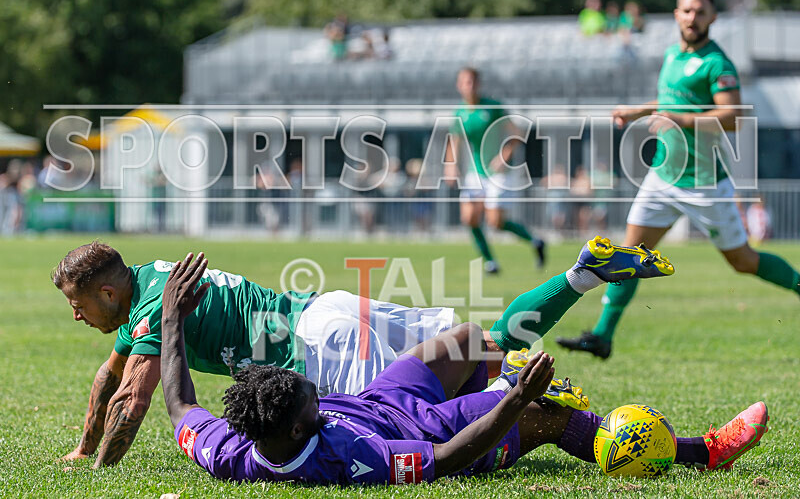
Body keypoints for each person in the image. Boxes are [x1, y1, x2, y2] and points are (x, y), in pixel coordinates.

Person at [53, 235, 673, 468]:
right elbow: (111, 378)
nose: (77, 317)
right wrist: (82, 444)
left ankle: (525, 401)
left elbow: (134, 402)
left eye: (80, 305)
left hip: (316, 352)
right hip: (329, 309)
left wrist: (99, 468)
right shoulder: (151, 279)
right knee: (480, 343)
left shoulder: (147, 312)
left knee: (433, 409)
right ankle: (582, 275)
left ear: (109, 291)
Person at [161, 252, 768, 484]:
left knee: (472, 339)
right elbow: (446, 462)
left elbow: (182, 406)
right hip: (434, 429)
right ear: (299, 431)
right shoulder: (351, 461)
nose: (315, 392)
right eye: (310, 402)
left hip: (384, 397)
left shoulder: (229, 448)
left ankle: (553, 317)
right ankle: (705, 451)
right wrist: (512, 400)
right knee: (548, 415)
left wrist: (170, 319)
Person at [557, 0, 800, 360]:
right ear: (676, 14)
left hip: (704, 184)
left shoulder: (717, 63)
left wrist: (680, 119)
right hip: (662, 176)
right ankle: (602, 335)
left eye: (700, 11)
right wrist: (640, 110)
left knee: (744, 262)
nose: (692, 17)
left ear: (713, 17)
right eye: (686, 10)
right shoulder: (672, 55)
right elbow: (668, 101)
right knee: (629, 254)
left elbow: (733, 117)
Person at [447, 67, 546, 274]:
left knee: (495, 222)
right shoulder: (460, 112)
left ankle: (535, 240)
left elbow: (517, 133)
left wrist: (504, 155)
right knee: (469, 218)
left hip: (497, 173)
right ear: (459, 86)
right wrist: (450, 165)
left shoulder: (493, 107)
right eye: (465, 82)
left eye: (472, 81)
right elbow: (454, 142)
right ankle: (491, 262)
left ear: (478, 84)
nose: (469, 86)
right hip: (475, 172)